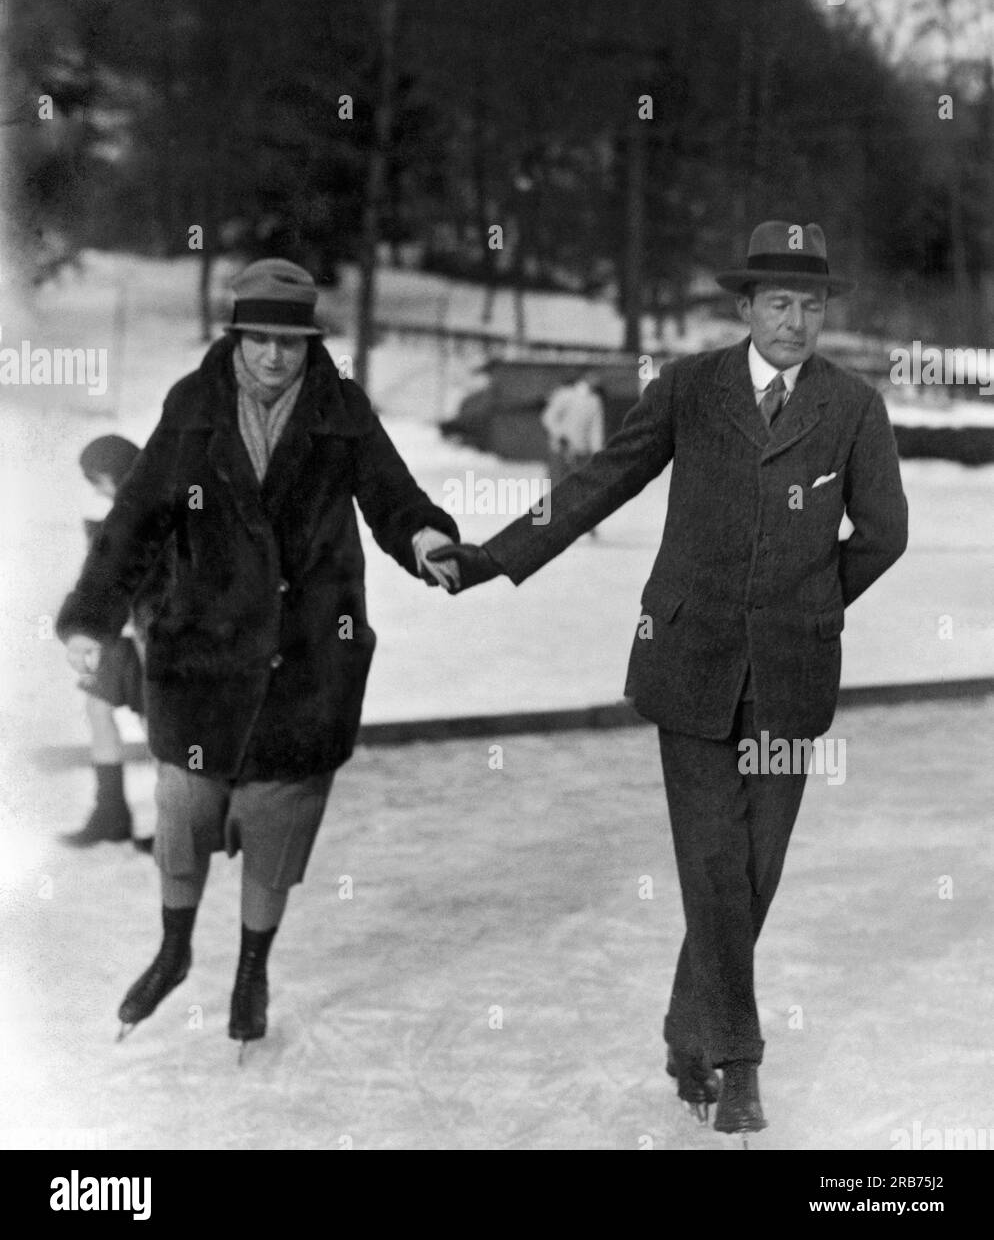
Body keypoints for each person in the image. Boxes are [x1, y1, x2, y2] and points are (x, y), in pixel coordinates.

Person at [429, 222, 908, 1135]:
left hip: (791, 673)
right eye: (779, 303)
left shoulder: (853, 408)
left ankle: (688, 1030)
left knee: (752, 871)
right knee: (713, 863)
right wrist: (496, 554)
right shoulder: (691, 387)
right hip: (687, 662)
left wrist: (811, 603)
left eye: (811, 306)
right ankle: (738, 1058)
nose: (796, 322)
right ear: (745, 309)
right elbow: (603, 479)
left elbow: (885, 532)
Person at [58, 258, 459, 1051]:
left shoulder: (341, 410)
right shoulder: (193, 407)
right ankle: (173, 951)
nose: (276, 357)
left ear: (311, 342)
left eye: (292, 341)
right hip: (201, 650)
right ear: (236, 337)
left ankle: (252, 969)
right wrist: (92, 619)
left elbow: (390, 493)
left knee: (276, 824)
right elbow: (135, 519)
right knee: (185, 811)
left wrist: (423, 534)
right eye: (261, 340)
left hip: (307, 653)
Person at [61, 435, 154, 853]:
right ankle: (110, 813)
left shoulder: (162, 506)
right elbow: (97, 582)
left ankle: (173, 820)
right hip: (120, 634)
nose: (96, 490)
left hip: (157, 637)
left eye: (98, 480)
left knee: (160, 730)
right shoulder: (110, 519)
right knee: (97, 709)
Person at [541, 373, 605, 489]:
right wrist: (560, 435)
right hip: (560, 450)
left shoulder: (594, 401)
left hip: (581, 452)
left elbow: (595, 429)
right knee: (556, 485)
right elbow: (548, 417)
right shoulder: (565, 394)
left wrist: (597, 452)